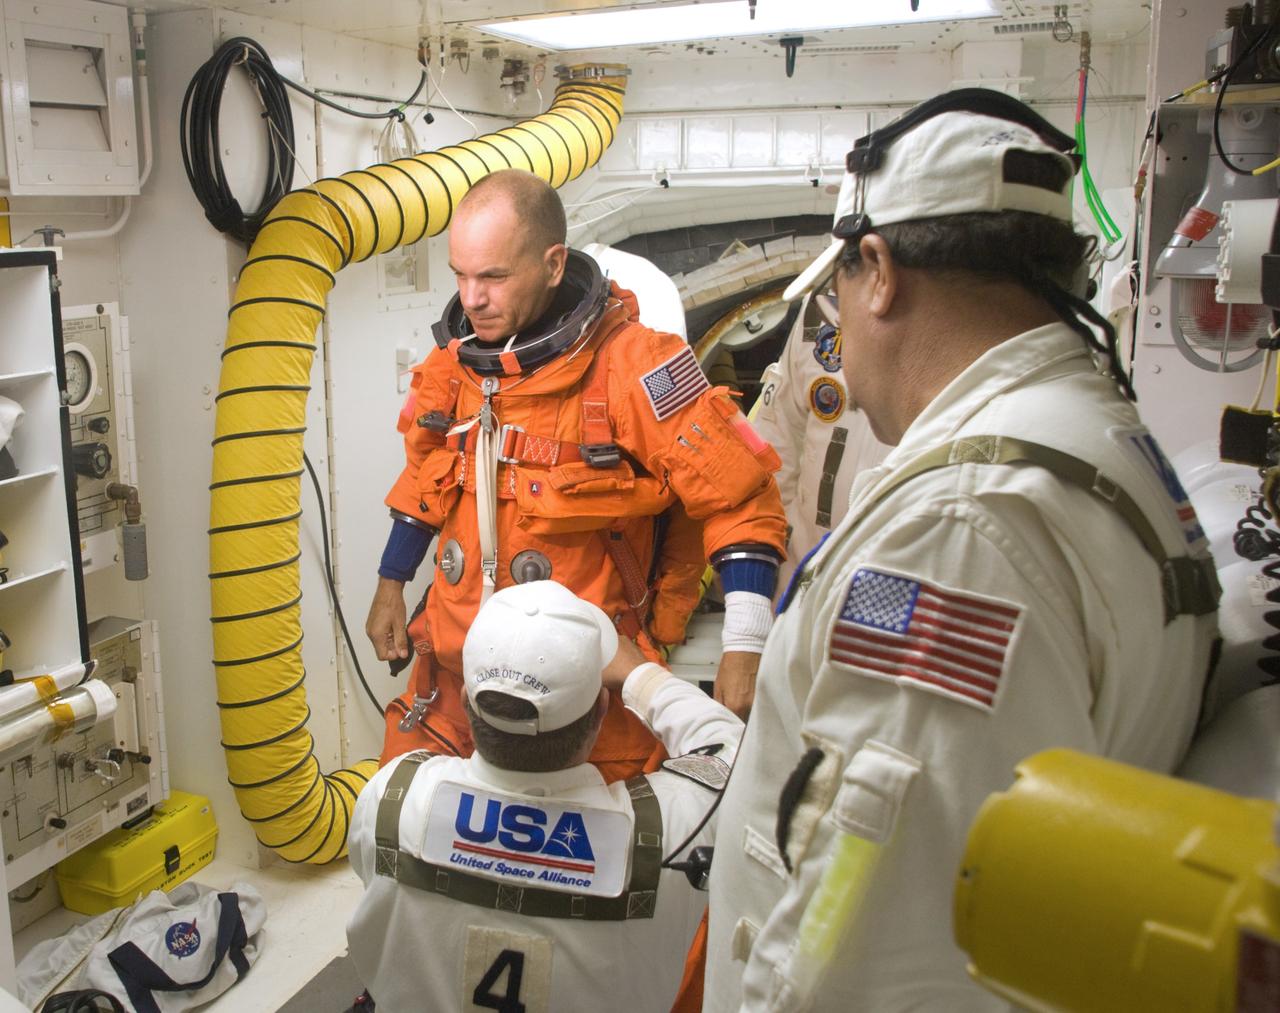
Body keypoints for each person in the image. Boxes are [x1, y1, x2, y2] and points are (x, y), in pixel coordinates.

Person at [704, 88, 1221, 1010]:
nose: (839, 334)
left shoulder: (957, 527)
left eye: (836, 296)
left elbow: (870, 940)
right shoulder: (1088, 430)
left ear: (878, 269)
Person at [367, 170, 786, 771]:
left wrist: (745, 647)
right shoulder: (453, 364)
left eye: (493, 276)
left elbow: (740, 495)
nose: (471, 298)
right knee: (408, 837)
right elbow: (428, 476)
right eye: (460, 275)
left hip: (590, 690)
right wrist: (390, 581)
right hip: (455, 679)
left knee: (582, 858)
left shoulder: (636, 367)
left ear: (554, 264)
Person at [347, 580, 743, 1013]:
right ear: (600, 713)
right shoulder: (668, 835)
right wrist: (639, 675)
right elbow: (735, 749)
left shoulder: (393, 797)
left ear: (465, 702)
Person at [752, 294, 891, 586]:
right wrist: (764, 549)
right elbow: (778, 435)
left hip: (889, 570)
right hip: (803, 565)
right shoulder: (818, 307)